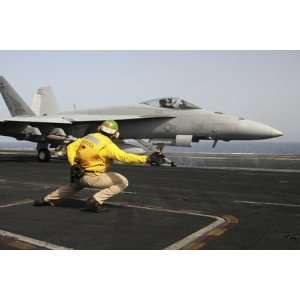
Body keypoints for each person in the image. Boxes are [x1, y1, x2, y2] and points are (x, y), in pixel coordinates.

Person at [34, 120, 165, 213]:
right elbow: (124, 157)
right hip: (93, 177)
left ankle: (46, 199)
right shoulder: (108, 145)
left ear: (99, 129)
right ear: (115, 134)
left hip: (78, 174)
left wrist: (73, 164)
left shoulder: (88, 137)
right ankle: (95, 201)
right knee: (122, 181)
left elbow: (71, 147)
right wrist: (147, 158)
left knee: (74, 186)